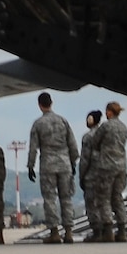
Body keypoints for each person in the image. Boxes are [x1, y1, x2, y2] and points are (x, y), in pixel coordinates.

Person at [26, 91, 79, 244]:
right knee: (66, 198)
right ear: (51, 103)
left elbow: (33, 147)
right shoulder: (63, 121)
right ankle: (68, 232)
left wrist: (31, 166)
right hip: (65, 163)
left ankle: (54, 232)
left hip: (48, 164)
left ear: (40, 105)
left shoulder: (38, 124)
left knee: (49, 199)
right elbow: (73, 145)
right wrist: (73, 162)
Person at [86, 101, 127, 241]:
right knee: (117, 198)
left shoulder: (105, 126)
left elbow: (95, 143)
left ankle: (108, 231)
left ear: (110, 112)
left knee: (104, 198)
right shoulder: (124, 127)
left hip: (106, 166)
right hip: (121, 166)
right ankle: (122, 231)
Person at [79, 110, 111, 242]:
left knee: (91, 204)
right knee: (104, 202)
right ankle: (107, 230)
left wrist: (82, 175)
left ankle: (97, 232)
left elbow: (85, 159)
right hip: (106, 173)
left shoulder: (88, 137)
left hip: (92, 175)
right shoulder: (106, 134)